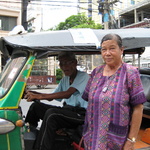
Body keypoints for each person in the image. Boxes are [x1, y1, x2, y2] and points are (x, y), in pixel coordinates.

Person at [82, 34, 147, 150]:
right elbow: (89, 102)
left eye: (112, 48)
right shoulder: (96, 72)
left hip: (116, 139)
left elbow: (138, 108)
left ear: (121, 50)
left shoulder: (130, 73)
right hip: (92, 137)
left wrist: (131, 140)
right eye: (104, 49)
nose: (107, 53)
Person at [24, 51, 89, 150]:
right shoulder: (65, 79)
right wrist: (31, 93)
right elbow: (51, 96)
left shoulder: (83, 77)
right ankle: (28, 137)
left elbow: (67, 94)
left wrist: (39, 97)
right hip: (68, 111)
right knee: (36, 107)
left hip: (82, 115)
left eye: (67, 63)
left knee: (52, 114)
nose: (64, 66)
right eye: (62, 64)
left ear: (75, 63)